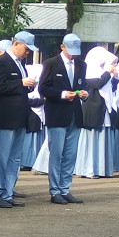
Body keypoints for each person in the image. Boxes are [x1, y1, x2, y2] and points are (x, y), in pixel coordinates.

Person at [0, 31, 39, 208]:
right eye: (25, 48)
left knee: (14, 159)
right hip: (3, 118)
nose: (27, 52)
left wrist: (28, 86)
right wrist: (20, 84)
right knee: (1, 158)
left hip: (18, 118)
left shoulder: (19, 64)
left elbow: (15, 88)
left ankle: (7, 192)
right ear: (16, 44)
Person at [38, 33, 88, 204]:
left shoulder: (82, 65)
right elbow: (43, 88)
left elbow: (81, 85)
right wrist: (61, 94)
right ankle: (55, 190)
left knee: (70, 154)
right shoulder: (51, 64)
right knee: (57, 153)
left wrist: (83, 93)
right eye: (70, 51)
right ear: (62, 47)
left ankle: (65, 188)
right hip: (57, 114)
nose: (73, 55)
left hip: (74, 114)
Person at [76, 47, 117, 178]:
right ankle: (88, 169)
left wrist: (114, 75)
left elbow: (111, 88)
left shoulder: (101, 72)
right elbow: (98, 83)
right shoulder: (89, 71)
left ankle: (101, 169)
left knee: (102, 139)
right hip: (92, 110)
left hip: (102, 110)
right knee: (92, 141)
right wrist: (108, 72)